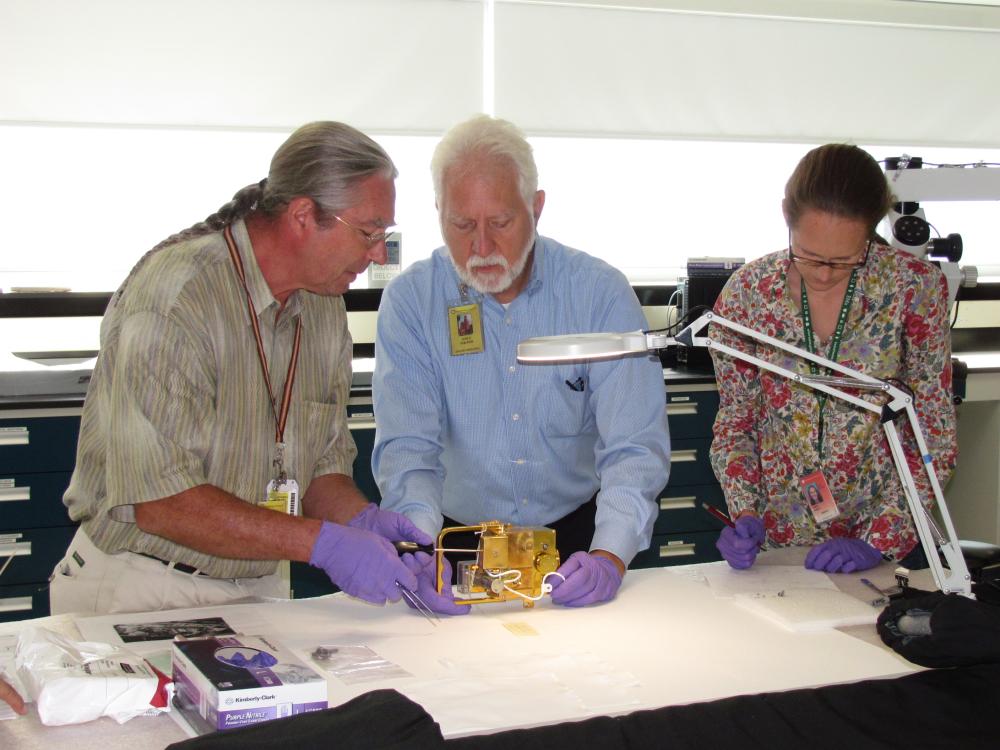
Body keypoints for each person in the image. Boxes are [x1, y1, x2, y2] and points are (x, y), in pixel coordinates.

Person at [51, 122, 430, 615]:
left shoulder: (320, 304)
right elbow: (160, 500)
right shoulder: (178, 297)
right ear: (302, 215)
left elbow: (319, 468)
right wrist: (323, 544)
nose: (379, 253)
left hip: (257, 584)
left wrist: (360, 522)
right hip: (141, 586)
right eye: (369, 232)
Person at [372, 115, 671, 613]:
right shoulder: (412, 302)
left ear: (536, 208)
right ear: (439, 214)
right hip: (453, 543)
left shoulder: (598, 294)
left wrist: (610, 555)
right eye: (462, 225)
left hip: (577, 543)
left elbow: (634, 447)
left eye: (502, 223)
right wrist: (419, 553)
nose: (481, 248)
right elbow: (409, 453)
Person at [710, 143, 958, 574]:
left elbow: (933, 432)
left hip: (883, 535)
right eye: (807, 254)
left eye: (845, 260)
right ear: (787, 217)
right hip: (780, 537)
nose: (824, 273)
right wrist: (745, 509)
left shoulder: (913, 289)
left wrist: (882, 537)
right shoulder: (747, 294)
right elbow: (737, 421)